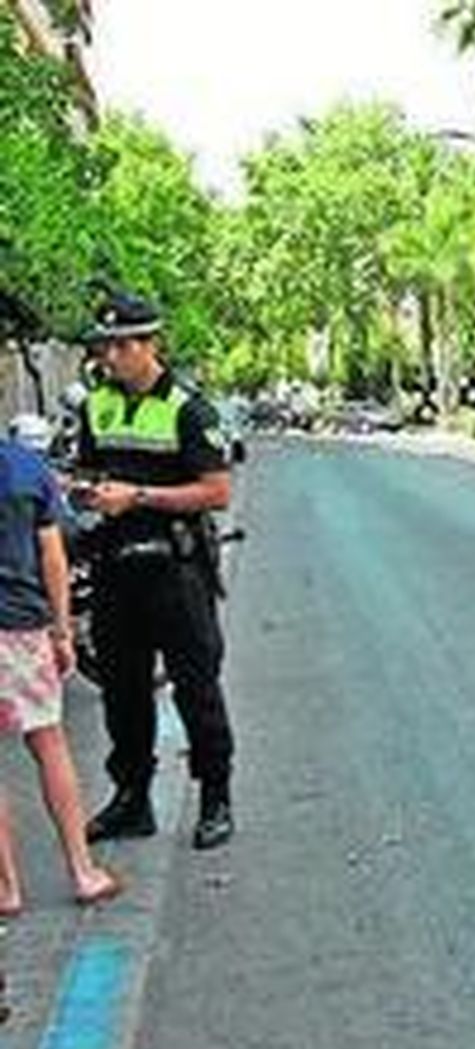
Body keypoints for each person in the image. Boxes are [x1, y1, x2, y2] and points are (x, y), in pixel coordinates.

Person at [74, 294, 237, 851]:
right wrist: (87, 491)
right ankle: (131, 799)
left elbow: (216, 491)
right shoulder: (96, 405)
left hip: (176, 571)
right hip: (116, 572)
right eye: (106, 345)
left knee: (196, 687)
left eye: (123, 345)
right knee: (123, 693)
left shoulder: (188, 408)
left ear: (151, 346)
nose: (111, 356)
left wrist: (138, 496)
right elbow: (89, 467)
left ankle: (215, 797)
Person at [0, 430, 122, 913]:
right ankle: (82, 871)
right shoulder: (27, 468)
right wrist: (62, 630)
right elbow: (53, 555)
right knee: (49, 743)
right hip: (23, 627)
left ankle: (7, 888)